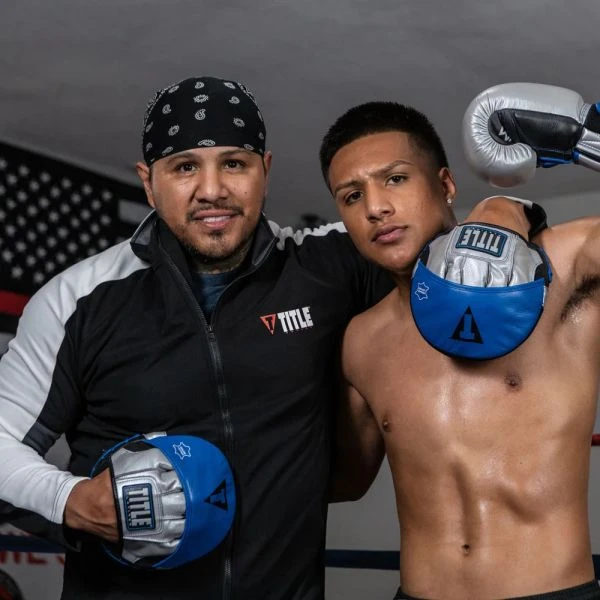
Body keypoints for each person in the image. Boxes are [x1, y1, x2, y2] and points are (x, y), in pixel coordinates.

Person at [0, 75, 540, 600]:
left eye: (234, 163)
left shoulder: (327, 267)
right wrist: (69, 499)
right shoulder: (80, 300)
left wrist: (504, 208)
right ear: (148, 181)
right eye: (184, 167)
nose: (212, 190)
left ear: (266, 170)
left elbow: (438, 231)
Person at [320, 85, 600, 600]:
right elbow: (345, 482)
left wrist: (590, 137)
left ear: (446, 184)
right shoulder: (361, 340)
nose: (376, 207)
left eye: (395, 179)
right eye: (352, 196)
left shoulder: (560, 270)